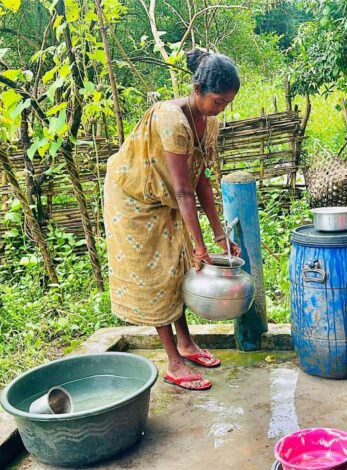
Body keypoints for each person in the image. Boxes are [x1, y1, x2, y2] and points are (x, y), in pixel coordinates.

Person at [103, 50, 241, 391]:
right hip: (134, 197)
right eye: (218, 101)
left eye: (228, 103)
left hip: (166, 195)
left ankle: (186, 343)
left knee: (178, 267)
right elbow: (182, 190)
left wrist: (219, 235)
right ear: (197, 89)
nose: (222, 109)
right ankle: (174, 362)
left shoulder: (207, 121)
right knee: (158, 276)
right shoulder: (171, 121)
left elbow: (200, 178)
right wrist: (200, 246)